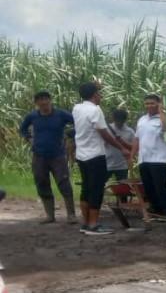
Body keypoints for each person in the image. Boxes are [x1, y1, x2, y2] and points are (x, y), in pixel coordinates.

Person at [73, 82, 131, 236]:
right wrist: (122, 148)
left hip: (81, 155)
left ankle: (85, 223)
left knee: (86, 188)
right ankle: (93, 224)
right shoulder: (95, 110)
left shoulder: (77, 108)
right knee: (96, 190)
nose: (100, 96)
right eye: (98, 93)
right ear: (94, 95)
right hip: (95, 156)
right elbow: (104, 134)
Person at [19, 90, 77, 224]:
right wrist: (29, 138)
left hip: (58, 155)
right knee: (41, 182)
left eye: (46, 99)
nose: (44, 102)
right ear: (37, 103)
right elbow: (22, 129)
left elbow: (78, 123)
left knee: (64, 183)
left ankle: (71, 215)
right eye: (40, 100)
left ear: (50, 100)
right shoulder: (32, 116)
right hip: (39, 155)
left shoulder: (61, 114)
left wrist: (70, 135)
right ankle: (50, 215)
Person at [133, 93, 166, 221]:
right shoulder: (142, 120)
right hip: (144, 159)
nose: (149, 106)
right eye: (147, 103)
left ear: (158, 104)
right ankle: (156, 211)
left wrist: (162, 110)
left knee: (160, 186)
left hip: (159, 159)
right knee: (149, 187)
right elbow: (136, 138)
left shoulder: (163, 118)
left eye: (152, 103)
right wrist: (132, 154)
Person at [105, 108, 136, 181]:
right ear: (113, 119)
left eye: (121, 121)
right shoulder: (106, 129)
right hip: (107, 163)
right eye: (117, 121)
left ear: (124, 120)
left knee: (122, 187)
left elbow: (134, 147)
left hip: (122, 165)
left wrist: (123, 142)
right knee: (101, 186)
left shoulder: (130, 131)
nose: (119, 123)